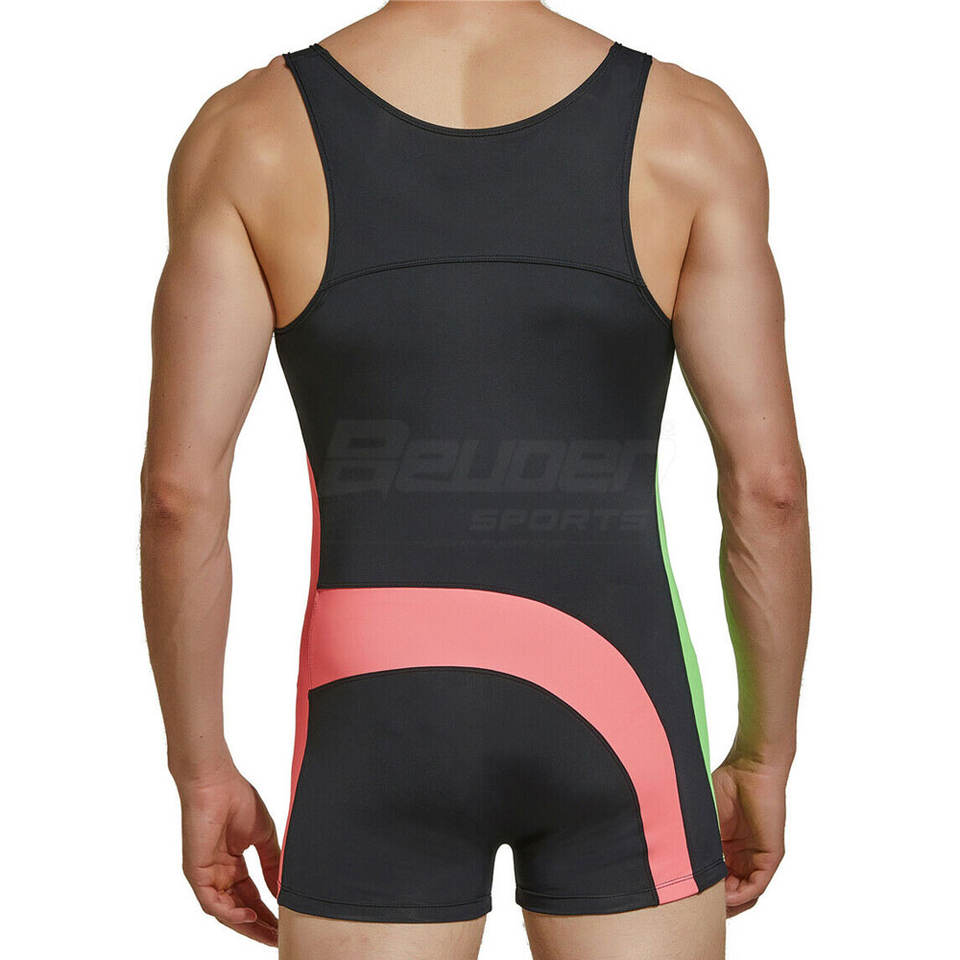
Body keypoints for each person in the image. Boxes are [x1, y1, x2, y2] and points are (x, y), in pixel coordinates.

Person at [140, 3, 810, 958]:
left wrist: (200, 770)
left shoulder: (247, 133)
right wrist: (765, 755)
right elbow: (768, 488)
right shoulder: (690, 129)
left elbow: (179, 496)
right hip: (621, 705)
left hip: (377, 709)